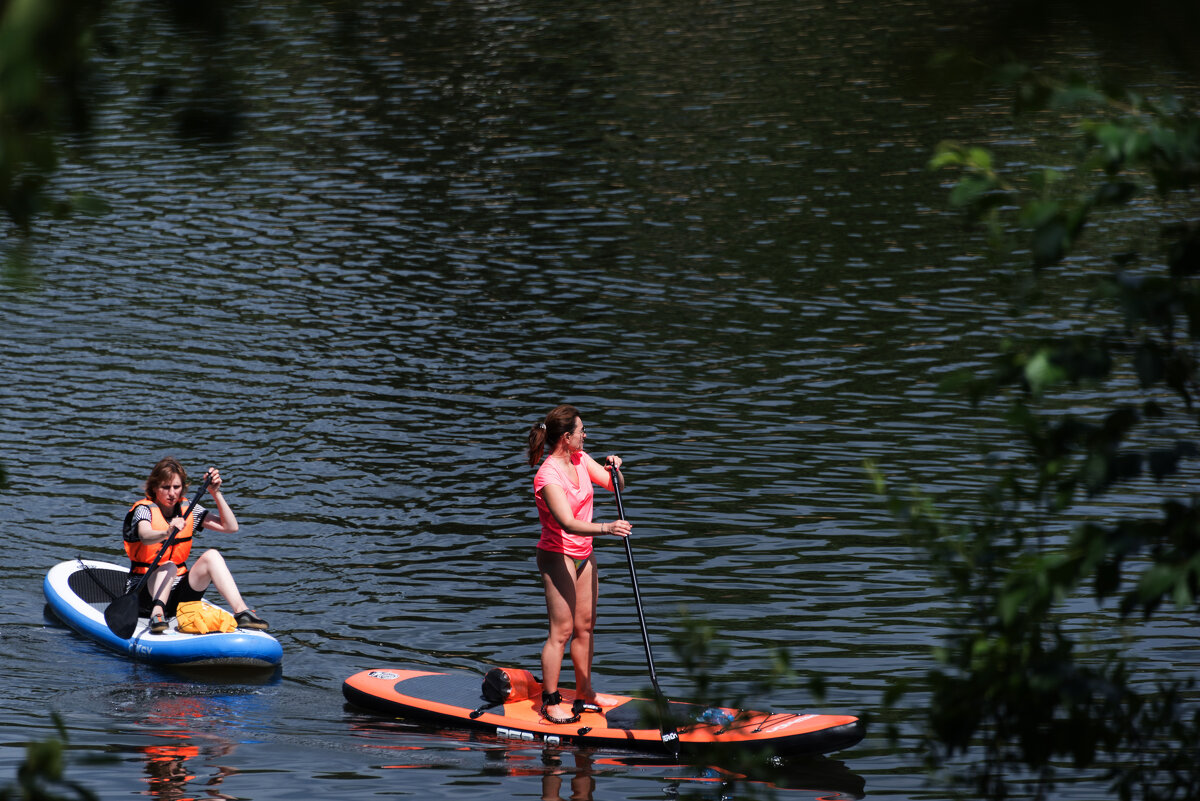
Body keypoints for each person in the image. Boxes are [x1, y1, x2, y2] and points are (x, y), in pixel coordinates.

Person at [527, 404, 632, 724]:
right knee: (562, 631)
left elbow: (616, 487)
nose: (586, 436)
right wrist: (607, 528)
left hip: (584, 554)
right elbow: (568, 522)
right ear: (565, 438)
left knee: (585, 628)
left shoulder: (581, 459)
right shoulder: (548, 475)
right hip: (557, 555)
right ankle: (550, 700)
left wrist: (615, 469)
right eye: (581, 431)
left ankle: (585, 692)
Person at [122, 457, 268, 634]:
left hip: (179, 596)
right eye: (165, 487)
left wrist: (216, 493)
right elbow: (145, 536)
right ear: (154, 488)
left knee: (212, 556)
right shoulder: (144, 510)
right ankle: (158, 614)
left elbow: (230, 527)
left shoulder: (188, 508)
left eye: (176, 487)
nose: (172, 493)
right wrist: (167, 532)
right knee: (168, 565)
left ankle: (241, 611)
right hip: (144, 595)